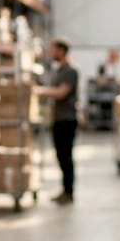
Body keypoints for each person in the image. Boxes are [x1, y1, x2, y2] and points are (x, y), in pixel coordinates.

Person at [35, 38, 80, 204]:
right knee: (61, 156)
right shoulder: (58, 70)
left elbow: (61, 93)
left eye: (53, 49)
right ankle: (65, 190)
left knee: (66, 157)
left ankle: (69, 192)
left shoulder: (70, 71)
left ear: (61, 51)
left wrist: (40, 91)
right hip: (58, 119)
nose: (51, 52)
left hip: (67, 120)